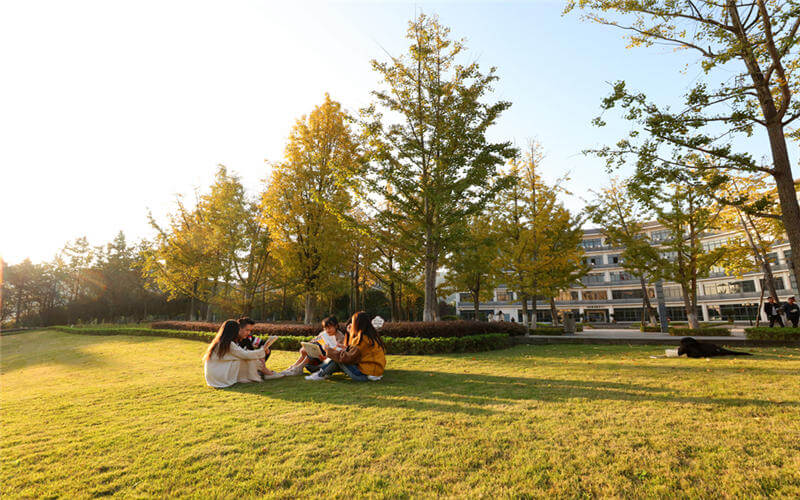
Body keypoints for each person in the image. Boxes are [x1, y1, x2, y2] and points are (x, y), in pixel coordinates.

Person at [305, 311, 386, 382]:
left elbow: (346, 358)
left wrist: (328, 350)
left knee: (339, 359)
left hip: (364, 375)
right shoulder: (371, 337)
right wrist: (346, 348)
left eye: (353, 323)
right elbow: (357, 352)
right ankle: (321, 373)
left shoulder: (361, 339)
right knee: (339, 357)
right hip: (375, 373)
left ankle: (320, 374)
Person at [203, 319, 278, 388]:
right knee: (245, 359)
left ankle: (263, 372)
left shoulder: (220, 342)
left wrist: (261, 350)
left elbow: (243, 353)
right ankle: (264, 373)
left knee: (244, 358)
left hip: (214, 376)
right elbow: (245, 355)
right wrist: (262, 350)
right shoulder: (228, 344)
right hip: (220, 377)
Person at [279, 316, 344, 376]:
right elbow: (313, 341)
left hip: (327, 360)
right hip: (317, 358)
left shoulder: (340, 337)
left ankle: (299, 368)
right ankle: (294, 367)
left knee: (317, 346)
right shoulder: (323, 334)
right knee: (312, 348)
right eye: (325, 328)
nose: (327, 330)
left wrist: (325, 356)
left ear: (336, 326)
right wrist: (306, 347)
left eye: (329, 328)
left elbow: (337, 351)